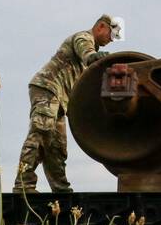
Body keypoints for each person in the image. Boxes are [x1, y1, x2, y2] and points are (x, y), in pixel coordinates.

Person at [13, 14, 119, 194]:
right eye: (111, 34)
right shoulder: (84, 38)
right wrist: (93, 56)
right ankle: (24, 185)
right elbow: (85, 50)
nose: (111, 40)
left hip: (61, 100)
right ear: (101, 26)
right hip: (47, 87)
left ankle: (61, 191)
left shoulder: (87, 58)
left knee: (57, 147)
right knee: (40, 133)